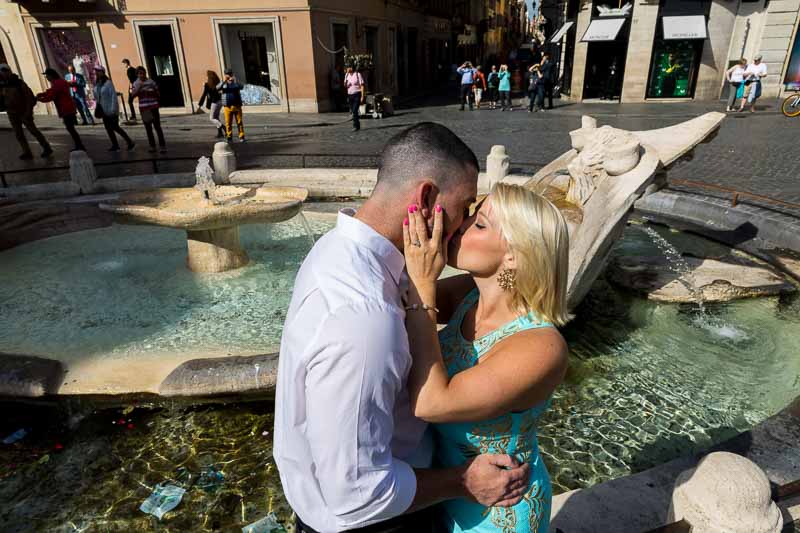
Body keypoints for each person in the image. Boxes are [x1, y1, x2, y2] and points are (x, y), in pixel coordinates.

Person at [274, 123, 532, 533]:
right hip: (380, 523)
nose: (461, 224)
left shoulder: (338, 249)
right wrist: (464, 481)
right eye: (464, 207)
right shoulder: (364, 319)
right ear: (427, 198)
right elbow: (355, 494)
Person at [403, 182, 570, 532]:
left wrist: (422, 282)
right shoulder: (470, 295)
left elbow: (432, 403)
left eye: (478, 225)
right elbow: (398, 300)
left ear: (514, 254)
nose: (460, 226)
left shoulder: (540, 346)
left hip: (498, 511)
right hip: (450, 489)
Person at [0, 64, 53, 159]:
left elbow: (29, 97)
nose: (3, 74)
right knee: (18, 134)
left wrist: (28, 111)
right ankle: (27, 152)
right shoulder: (3, 84)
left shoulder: (19, 83)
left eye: (4, 72)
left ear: (8, 71)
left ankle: (46, 147)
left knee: (33, 131)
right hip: (12, 113)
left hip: (23, 112)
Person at [36, 68, 86, 152]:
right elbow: (51, 92)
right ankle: (79, 145)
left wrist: (40, 99)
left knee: (71, 129)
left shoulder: (57, 83)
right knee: (71, 128)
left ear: (51, 75)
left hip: (66, 109)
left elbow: (51, 95)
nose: (46, 78)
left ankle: (80, 145)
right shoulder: (59, 82)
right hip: (68, 108)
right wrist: (42, 94)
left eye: (47, 76)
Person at [93, 65, 135, 152]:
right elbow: (97, 96)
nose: (96, 72)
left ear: (102, 72)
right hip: (103, 110)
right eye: (95, 71)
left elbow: (113, 97)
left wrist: (113, 109)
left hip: (111, 110)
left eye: (98, 71)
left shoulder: (108, 83)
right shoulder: (97, 83)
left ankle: (130, 142)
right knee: (108, 129)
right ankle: (115, 145)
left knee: (115, 127)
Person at [131, 66, 166, 152]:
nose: (142, 75)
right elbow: (132, 95)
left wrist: (154, 90)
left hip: (153, 106)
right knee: (148, 128)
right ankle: (152, 146)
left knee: (157, 127)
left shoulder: (151, 81)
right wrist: (140, 87)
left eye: (143, 73)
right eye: (140, 74)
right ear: (137, 75)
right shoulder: (135, 83)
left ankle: (162, 146)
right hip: (144, 108)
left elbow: (158, 93)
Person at [217, 68, 245, 142]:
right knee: (228, 123)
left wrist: (235, 80)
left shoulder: (235, 82)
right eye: (227, 74)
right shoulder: (223, 83)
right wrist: (224, 81)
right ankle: (229, 137)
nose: (228, 75)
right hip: (227, 106)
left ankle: (241, 136)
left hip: (237, 106)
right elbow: (217, 88)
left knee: (239, 122)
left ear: (232, 74)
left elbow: (242, 86)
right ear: (225, 74)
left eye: (230, 74)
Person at [198, 70, 224, 138]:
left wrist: (200, 104)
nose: (206, 77)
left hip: (214, 102)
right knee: (216, 117)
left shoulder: (207, 84)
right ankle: (220, 133)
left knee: (212, 118)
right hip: (220, 102)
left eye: (207, 76)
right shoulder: (218, 83)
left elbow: (204, 95)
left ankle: (223, 127)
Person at [344, 65, 365, 131]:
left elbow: (362, 86)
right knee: (353, 111)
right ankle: (357, 125)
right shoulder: (347, 75)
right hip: (350, 95)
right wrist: (346, 82)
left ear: (352, 68)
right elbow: (344, 85)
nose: (348, 69)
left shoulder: (358, 74)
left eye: (349, 67)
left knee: (355, 110)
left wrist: (362, 96)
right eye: (347, 68)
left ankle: (355, 126)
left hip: (357, 94)